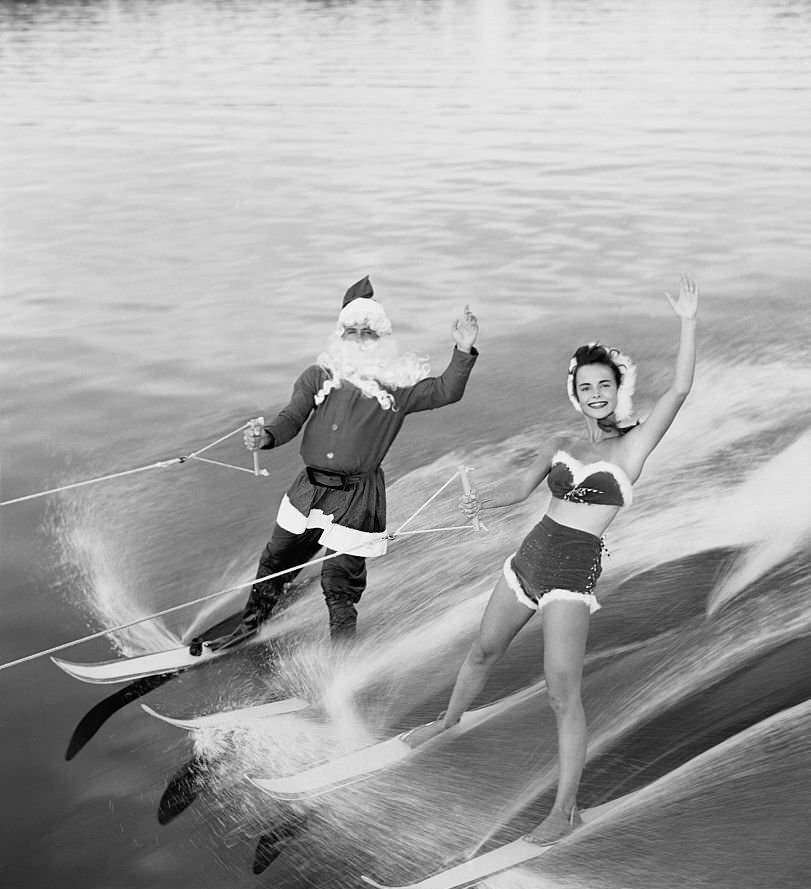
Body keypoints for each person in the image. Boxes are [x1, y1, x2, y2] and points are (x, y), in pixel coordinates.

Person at [405, 275, 699, 845]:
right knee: (483, 649)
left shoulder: (632, 445)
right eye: (586, 386)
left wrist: (687, 320)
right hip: (529, 556)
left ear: (619, 388)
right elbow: (521, 488)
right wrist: (483, 499)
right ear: (576, 391)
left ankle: (565, 811)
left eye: (604, 385)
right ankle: (447, 722)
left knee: (561, 690)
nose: (595, 393)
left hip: (572, 570)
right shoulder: (560, 442)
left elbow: (681, 390)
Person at [221, 276, 479, 647]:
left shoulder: (397, 388)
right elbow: (291, 418)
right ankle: (249, 626)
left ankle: (341, 665)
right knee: (276, 559)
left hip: (358, 498)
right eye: (351, 331)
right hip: (308, 489)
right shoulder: (317, 377)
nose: (358, 338)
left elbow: (446, 391)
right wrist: (267, 436)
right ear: (340, 336)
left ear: (382, 339)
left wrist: (463, 347)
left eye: (368, 332)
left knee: (338, 583)